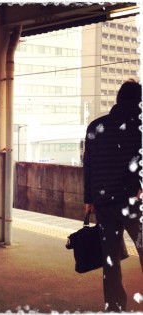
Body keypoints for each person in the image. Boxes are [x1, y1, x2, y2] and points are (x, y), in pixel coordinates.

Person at [83, 79, 143, 312]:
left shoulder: (95, 127)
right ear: (137, 102)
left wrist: (88, 199)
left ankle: (115, 308)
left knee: (111, 261)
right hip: (131, 204)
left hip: (104, 204)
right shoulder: (137, 128)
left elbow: (88, 166)